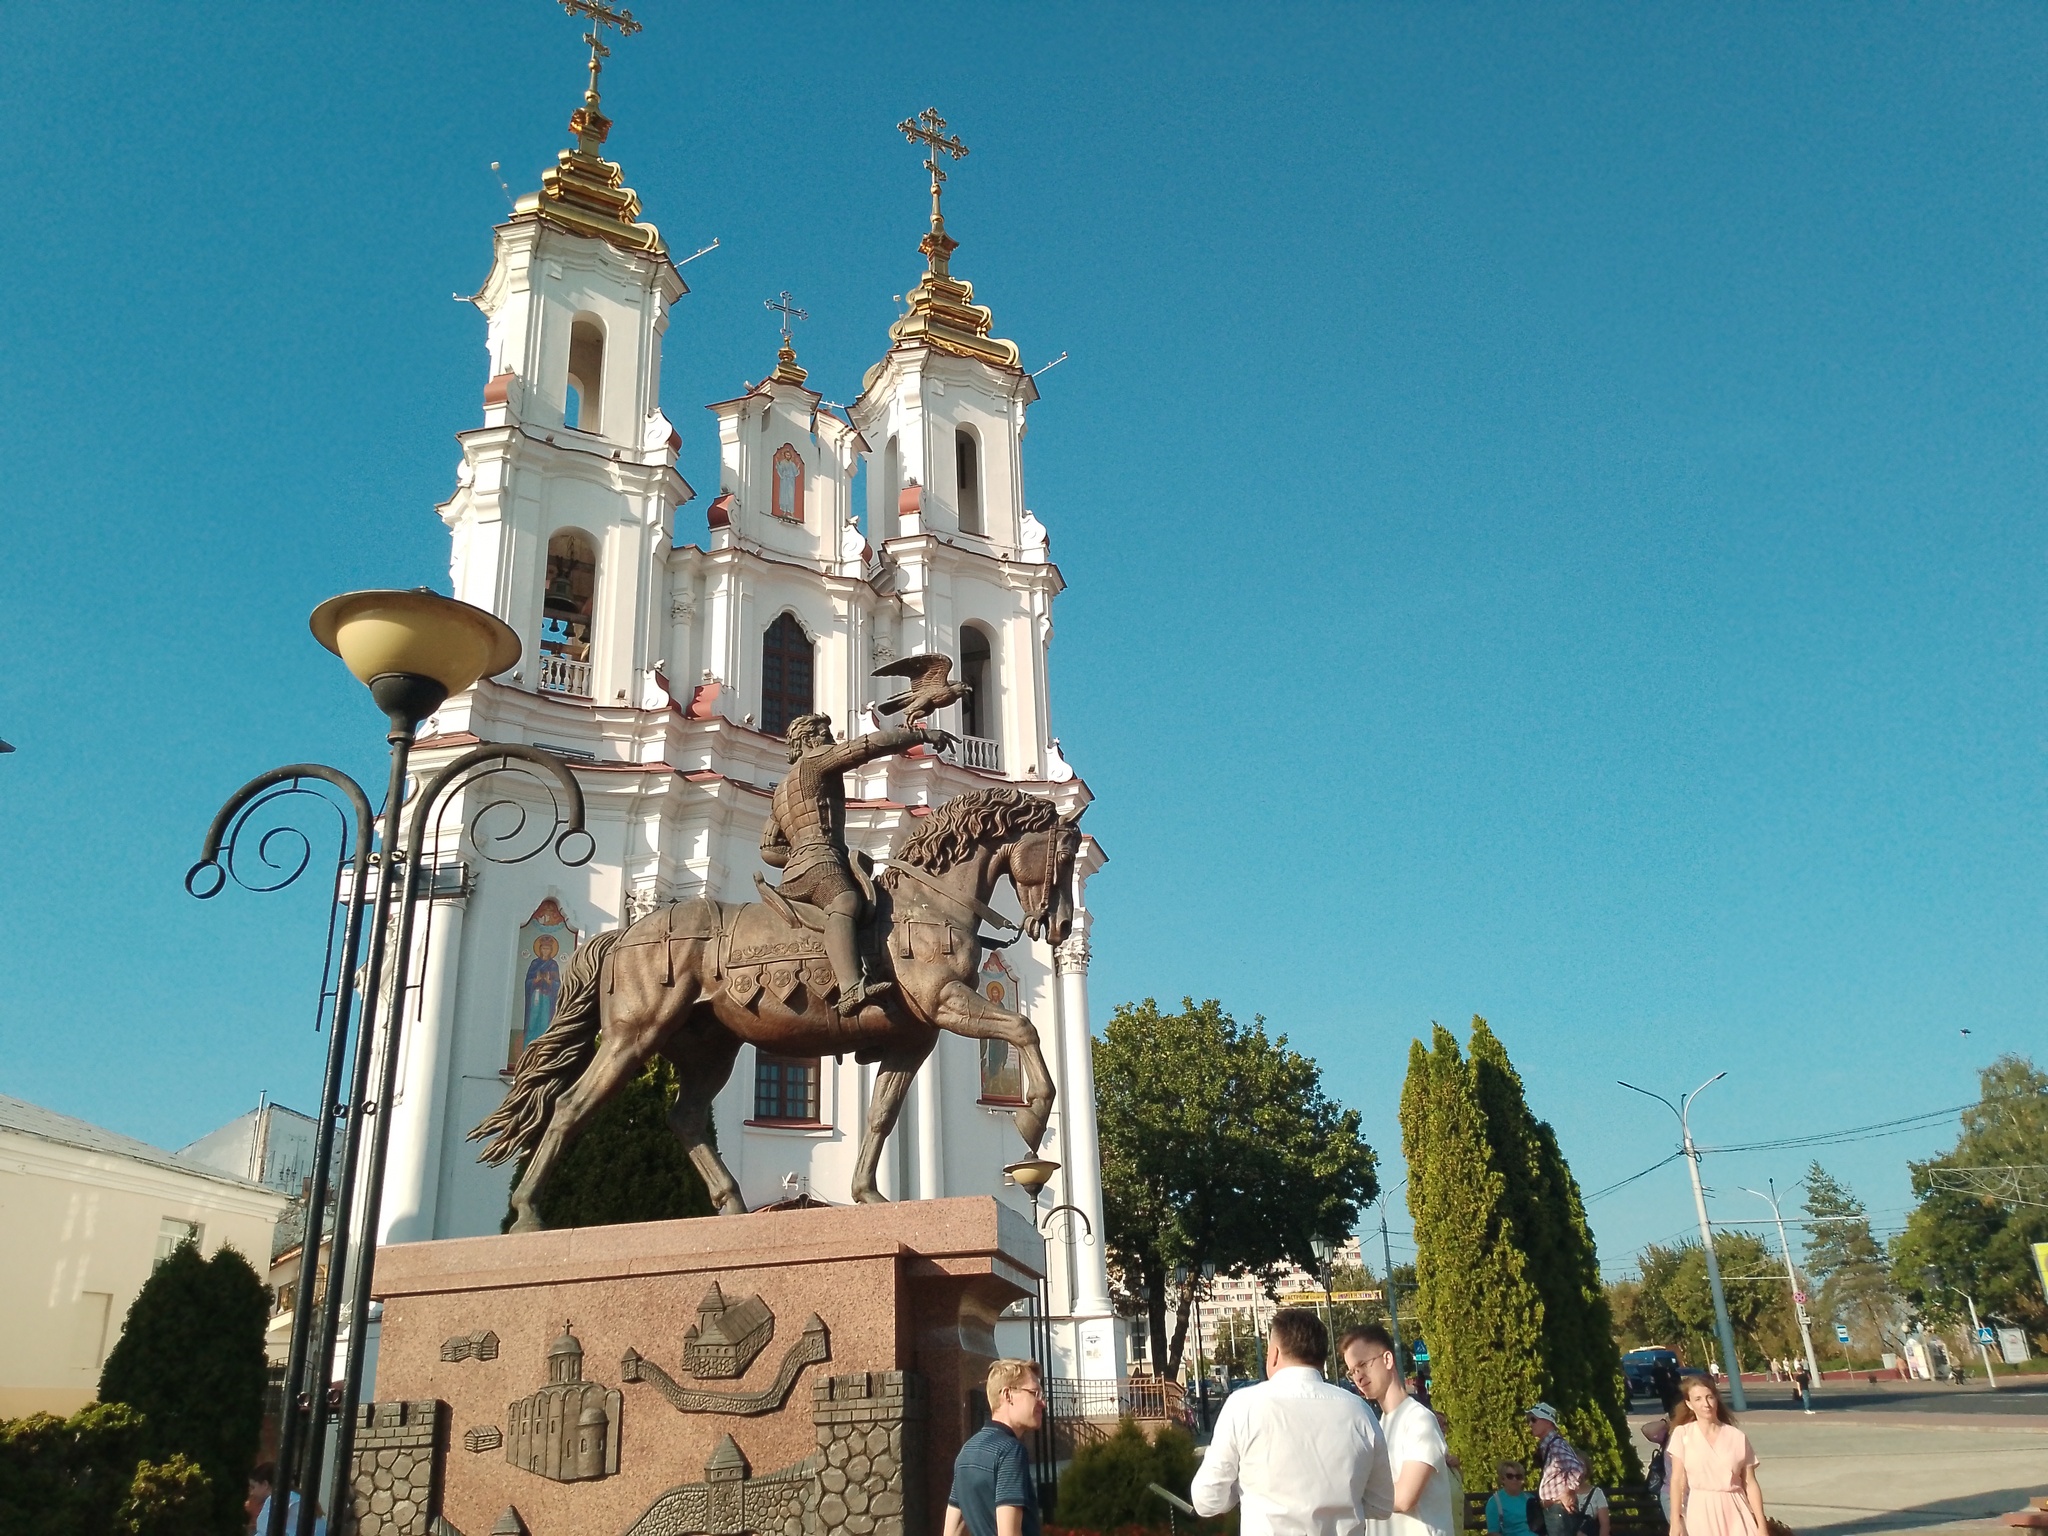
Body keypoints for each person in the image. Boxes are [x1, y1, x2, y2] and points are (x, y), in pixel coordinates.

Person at [761, 712, 951, 1015]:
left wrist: (798, 853)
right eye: (824, 733)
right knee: (846, 902)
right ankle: (851, 988)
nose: (831, 739)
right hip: (821, 864)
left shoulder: (782, 789)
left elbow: (769, 848)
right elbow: (867, 746)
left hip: (797, 870)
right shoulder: (814, 763)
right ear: (808, 740)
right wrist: (920, 736)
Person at [1191, 1307, 1394, 1536]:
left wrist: (1242, 1489)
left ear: (1274, 1353)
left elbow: (1206, 1499)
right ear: (1320, 1357)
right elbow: (1382, 1504)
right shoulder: (1360, 1412)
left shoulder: (1243, 1406)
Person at [1341, 1325, 1453, 1536]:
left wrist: (1347, 1493)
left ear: (1388, 1359)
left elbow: (1404, 1498)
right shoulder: (1380, 1426)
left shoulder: (1419, 1420)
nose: (1358, 1377)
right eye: (1352, 1371)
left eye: (1363, 1365)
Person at [945, 1359, 1044, 1536]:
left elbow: (952, 1531)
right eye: (1034, 1393)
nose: (1042, 1403)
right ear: (1007, 1395)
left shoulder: (967, 1451)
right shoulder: (1010, 1451)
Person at [1667, 1376, 1766, 1536]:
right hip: (1701, 1511)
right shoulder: (1682, 1434)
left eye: (1709, 1397)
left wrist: (1761, 1525)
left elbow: (1750, 1482)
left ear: (1716, 1399)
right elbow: (1677, 1480)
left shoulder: (1737, 1437)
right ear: (1689, 1404)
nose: (1705, 1404)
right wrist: (1675, 1521)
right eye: (1698, 1399)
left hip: (1736, 1509)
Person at [1524, 1403, 1588, 1536]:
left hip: (1557, 1508)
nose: (1530, 1424)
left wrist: (1567, 1492)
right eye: (1529, 1420)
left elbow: (1577, 1468)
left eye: (1534, 1420)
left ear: (1548, 1422)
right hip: (1553, 1508)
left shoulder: (1555, 1445)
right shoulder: (1549, 1444)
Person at [248, 1464, 326, 1536]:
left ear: (265, 1484)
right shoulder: (296, 1496)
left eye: (253, 1487)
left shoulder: (276, 1500)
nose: (251, 1493)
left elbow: (266, 1532)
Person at [1483, 1463, 1543, 1536]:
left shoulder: (1530, 1498)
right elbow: (1493, 1533)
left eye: (1518, 1477)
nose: (1514, 1479)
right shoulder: (1494, 1502)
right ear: (1503, 1479)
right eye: (1510, 1476)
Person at [1640, 1417, 1672, 1524]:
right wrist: (1667, 1422)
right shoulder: (1672, 1432)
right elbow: (1647, 1430)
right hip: (1671, 1493)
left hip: (1700, 1494)